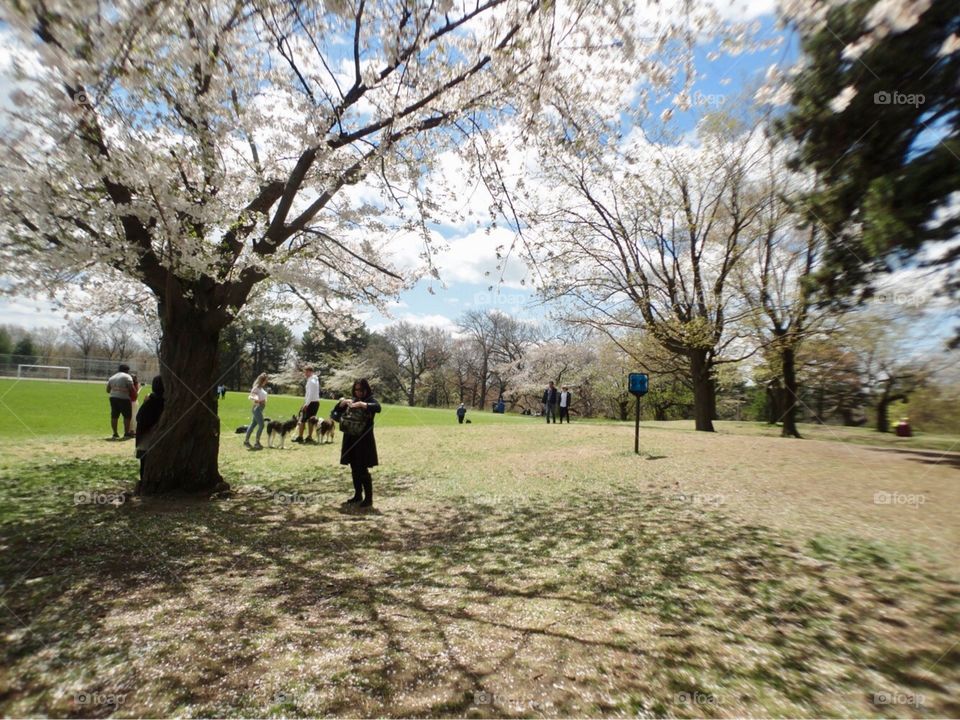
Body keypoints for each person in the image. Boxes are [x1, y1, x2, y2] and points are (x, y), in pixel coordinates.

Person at [331, 378, 381, 508]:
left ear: (366, 389)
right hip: (350, 439)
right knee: (354, 467)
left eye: (360, 389)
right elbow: (334, 414)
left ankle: (368, 498)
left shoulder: (370, 400)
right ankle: (358, 495)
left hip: (363, 440)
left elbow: (378, 408)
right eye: (356, 389)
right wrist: (341, 404)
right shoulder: (351, 401)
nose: (358, 392)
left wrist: (362, 404)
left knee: (362, 469)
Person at [135, 376, 164, 485]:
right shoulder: (159, 402)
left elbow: (139, 418)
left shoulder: (150, 401)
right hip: (151, 439)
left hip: (145, 440)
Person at [292, 365, 321, 444]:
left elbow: (310, 394)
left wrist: (306, 404)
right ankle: (309, 437)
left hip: (311, 403)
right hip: (314, 402)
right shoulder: (314, 379)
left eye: (306, 372)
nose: (305, 374)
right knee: (310, 420)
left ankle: (300, 437)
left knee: (303, 419)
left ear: (310, 372)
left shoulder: (312, 381)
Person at [106, 363, 135, 440]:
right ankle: (126, 433)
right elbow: (131, 388)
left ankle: (115, 433)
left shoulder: (112, 377)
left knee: (114, 415)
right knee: (127, 416)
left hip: (113, 398)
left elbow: (108, 390)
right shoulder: (127, 377)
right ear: (127, 370)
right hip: (124, 398)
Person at [244, 373, 269, 450]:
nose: (267, 381)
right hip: (257, 408)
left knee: (253, 425)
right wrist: (259, 401)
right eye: (266, 380)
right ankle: (257, 443)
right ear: (262, 380)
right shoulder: (256, 388)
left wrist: (263, 401)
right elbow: (251, 397)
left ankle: (246, 441)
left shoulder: (261, 388)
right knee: (262, 425)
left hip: (260, 409)